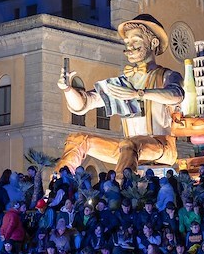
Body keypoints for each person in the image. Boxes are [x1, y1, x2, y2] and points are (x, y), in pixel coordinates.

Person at [57, 14, 184, 178]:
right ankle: (58, 186)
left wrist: (139, 93)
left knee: (130, 144)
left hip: (162, 147)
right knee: (77, 139)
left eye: (135, 41)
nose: (129, 46)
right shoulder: (122, 83)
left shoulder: (167, 75)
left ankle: (119, 188)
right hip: (127, 149)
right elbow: (83, 105)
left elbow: (176, 94)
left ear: (153, 43)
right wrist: (67, 89)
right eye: (127, 43)